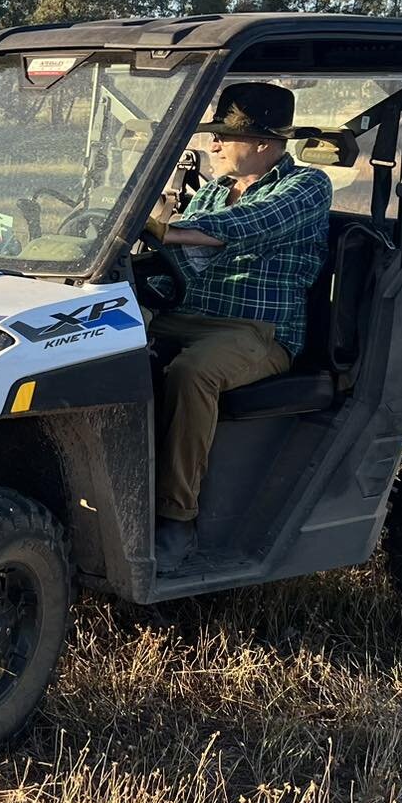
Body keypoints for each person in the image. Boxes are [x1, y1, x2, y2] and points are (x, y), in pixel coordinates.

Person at [142, 82, 331, 573]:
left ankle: (176, 519)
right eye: (216, 135)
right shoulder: (212, 190)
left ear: (264, 144)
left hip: (259, 331)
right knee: (110, 352)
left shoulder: (306, 187)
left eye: (225, 136)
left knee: (193, 374)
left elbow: (254, 223)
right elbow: (179, 258)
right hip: (191, 315)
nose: (215, 144)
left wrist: (171, 228)